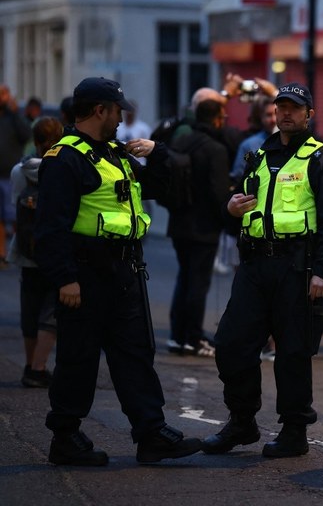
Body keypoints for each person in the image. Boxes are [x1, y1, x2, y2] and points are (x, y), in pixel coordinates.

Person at [35, 77, 202, 466]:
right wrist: (65, 278)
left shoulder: (114, 153)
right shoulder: (65, 158)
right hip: (84, 274)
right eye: (117, 112)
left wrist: (157, 151)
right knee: (79, 358)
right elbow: (49, 228)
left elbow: (160, 187)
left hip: (123, 271)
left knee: (134, 354)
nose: (121, 120)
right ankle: (65, 436)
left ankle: (151, 433)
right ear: (100, 111)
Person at [202, 82, 323, 458]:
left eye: (295, 108)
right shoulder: (258, 157)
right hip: (254, 265)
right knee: (231, 345)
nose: (286, 113)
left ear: (309, 114)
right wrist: (229, 210)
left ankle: (294, 430)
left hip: (297, 268)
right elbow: (238, 209)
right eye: (281, 106)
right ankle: (242, 421)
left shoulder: (322, 161)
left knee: (293, 353)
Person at [166, 99, 233, 357]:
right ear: (216, 119)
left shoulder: (181, 141)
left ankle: (177, 335)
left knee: (184, 277)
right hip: (204, 226)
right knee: (198, 282)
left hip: (178, 220)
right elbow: (219, 193)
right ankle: (193, 337)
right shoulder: (215, 149)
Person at [9, 117, 63, 388]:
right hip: (55, 249)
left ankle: (29, 365)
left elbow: (14, 204)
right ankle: (40, 369)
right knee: (51, 311)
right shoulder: (63, 168)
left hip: (25, 249)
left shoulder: (20, 169)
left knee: (29, 309)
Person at [0, 84, 33, 267]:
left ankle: (21, 250)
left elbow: (26, 133)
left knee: (15, 216)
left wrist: (14, 111)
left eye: (3, 94)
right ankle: (2, 254)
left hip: (10, 176)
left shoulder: (13, 118)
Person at [230, 97, 278, 182]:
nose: (273, 120)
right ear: (261, 117)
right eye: (268, 115)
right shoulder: (248, 145)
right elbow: (239, 175)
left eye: (276, 114)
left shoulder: (291, 141)